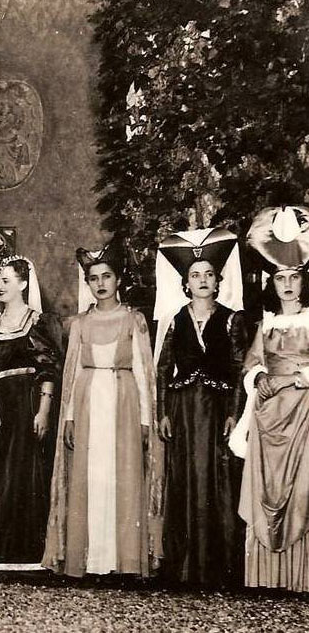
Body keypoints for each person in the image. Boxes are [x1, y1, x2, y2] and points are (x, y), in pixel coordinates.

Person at [42, 242, 164, 578]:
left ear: (118, 279)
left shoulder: (133, 320)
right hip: (88, 405)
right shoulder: (80, 323)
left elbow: (142, 373)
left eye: (106, 276)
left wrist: (145, 421)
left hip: (123, 405)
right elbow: (72, 374)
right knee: (92, 477)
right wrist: (68, 417)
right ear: (88, 283)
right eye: (94, 278)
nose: (101, 284)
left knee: (122, 477)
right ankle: (92, 559)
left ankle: (123, 559)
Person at [153, 227, 246, 586]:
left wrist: (234, 413)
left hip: (216, 409)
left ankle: (218, 566)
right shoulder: (176, 319)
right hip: (184, 411)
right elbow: (164, 368)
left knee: (217, 479)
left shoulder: (232, 318)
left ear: (218, 281)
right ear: (186, 283)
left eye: (209, 274)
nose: (203, 280)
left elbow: (238, 369)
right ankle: (185, 564)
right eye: (195, 275)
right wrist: (163, 411)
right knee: (186, 477)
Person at [231, 206, 309, 592]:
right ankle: (267, 577)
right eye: (280, 278)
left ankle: (300, 577)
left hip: (304, 412)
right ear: (271, 283)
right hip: (269, 415)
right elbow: (251, 365)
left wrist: (295, 378)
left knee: (303, 486)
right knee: (268, 488)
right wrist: (259, 377)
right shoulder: (267, 324)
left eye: (294, 276)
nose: (288, 284)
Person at [0, 256, 61, 570]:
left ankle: (27, 553)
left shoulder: (36, 322)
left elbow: (48, 369)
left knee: (24, 474)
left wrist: (44, 411)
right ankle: (0, 552)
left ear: (23, 283)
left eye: (6, 281)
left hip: (27, 406)